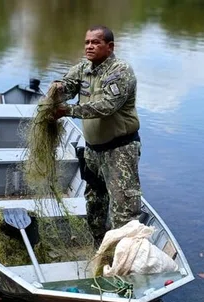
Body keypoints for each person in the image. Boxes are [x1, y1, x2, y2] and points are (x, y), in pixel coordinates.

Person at [52, 25, 143, 242]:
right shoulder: (84, 68)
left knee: (123, 207)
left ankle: (124, 256)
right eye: (87, 42)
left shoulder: (121, 71)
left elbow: (107, 107)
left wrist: (68, 110)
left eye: (96, 42)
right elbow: (69, 86)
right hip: (93, 150)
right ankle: (96, 243)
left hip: (120, 150)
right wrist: (57, 89)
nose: (89, 46)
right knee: (94, 200)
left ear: (109, 47)